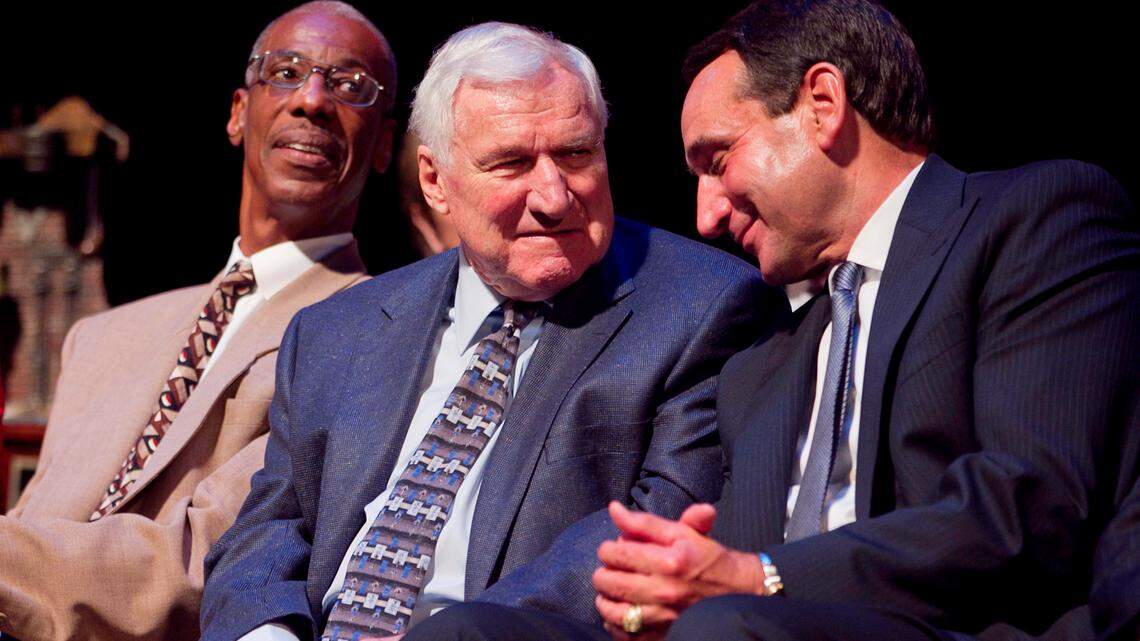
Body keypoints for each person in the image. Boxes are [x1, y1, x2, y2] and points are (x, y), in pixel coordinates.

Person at [398, 1, 1139, 640]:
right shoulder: (764, 350)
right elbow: (725, 566)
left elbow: (1029, 506)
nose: (707, 213)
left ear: (823, 104)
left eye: (718, 159)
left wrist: (760, 577)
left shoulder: (1034, 221)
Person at [200, 21, 783, 641]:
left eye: (576, 154)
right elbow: (268, 529)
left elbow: (651, 533)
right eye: (510, 163)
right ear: (435, 181)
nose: (554, 196)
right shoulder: (336, 331)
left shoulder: (705, 307)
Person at [0, 3, 395, 640]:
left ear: (383, 146)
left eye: (350, 86)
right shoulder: (99, 337)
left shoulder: (378, 339)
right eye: (286, 72)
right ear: (239, 113)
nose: (313, 100)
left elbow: (206, 560)